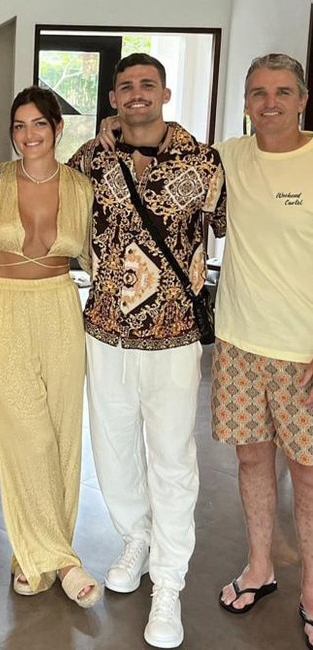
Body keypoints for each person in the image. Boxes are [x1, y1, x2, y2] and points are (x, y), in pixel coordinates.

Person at [67, 53, 226, 647]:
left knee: (172, 458)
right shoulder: (92, 158)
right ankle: (135, 535)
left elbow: (235, 230)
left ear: (164, 92)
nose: (137, 94)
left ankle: (169, 582)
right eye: (126, 87)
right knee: (111, 449)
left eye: (147, 85)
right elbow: (52, 198)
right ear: (113, 98)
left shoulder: (204, 162)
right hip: (105, 328)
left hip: (175, 335)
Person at [0, 86, 101, 608]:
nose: (28, 135)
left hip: (61, 307)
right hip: (5, 309)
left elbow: (101, 257)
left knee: (62, 435)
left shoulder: (82, 186)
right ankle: (64, 562)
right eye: (19, 126)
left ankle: (32, 557)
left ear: (58, 129)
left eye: (38, 124)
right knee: (27, 436)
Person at [210, 53, 313, 649]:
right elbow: (164, 159)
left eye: (281, 91)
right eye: (257, 93)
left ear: (302, 99)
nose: (268, 102)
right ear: (245, 103)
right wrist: (111, 131)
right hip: (240, 342)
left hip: (302, 351)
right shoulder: (229, 157)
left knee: (308, 475)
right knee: (252, 463)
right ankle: (260, 567)